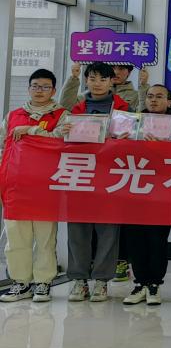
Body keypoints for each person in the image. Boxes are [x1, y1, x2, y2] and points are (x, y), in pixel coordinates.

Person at [0, 69, 68, 303]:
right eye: (35, 86)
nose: (40, 91)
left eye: (45, 87)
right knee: (16, 237)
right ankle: (20, 283)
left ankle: (43, 282)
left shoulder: (62, 115)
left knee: (45, 237)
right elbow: (2, 146)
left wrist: (31, 131)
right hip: (15, 185)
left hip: (45, 185)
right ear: (28, 88)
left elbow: (62, 141)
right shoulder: (13, 115)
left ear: (54, 90)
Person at [65, 62, 129, 303]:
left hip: (111, 177)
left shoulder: (124, 109)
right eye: (92, 78)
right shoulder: (76, 107)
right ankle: (79, 280)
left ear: (112, 81)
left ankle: (102, 280)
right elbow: (63, 136)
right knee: (77, 230)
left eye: (103, 79)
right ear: (86, 81)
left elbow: (135, 140)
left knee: (108, 231)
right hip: (80, 174)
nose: (97, 83)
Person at [121, 85, 171, 306]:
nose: (154, 100)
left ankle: (154, 283)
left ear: (169, 101)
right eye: (150, 96)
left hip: (163, 189)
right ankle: (140, 282)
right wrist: (120, 141)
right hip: (134, 186)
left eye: (159, 97)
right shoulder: (133, 122)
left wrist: (165, 147)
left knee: (157, 238)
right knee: (135, 237)